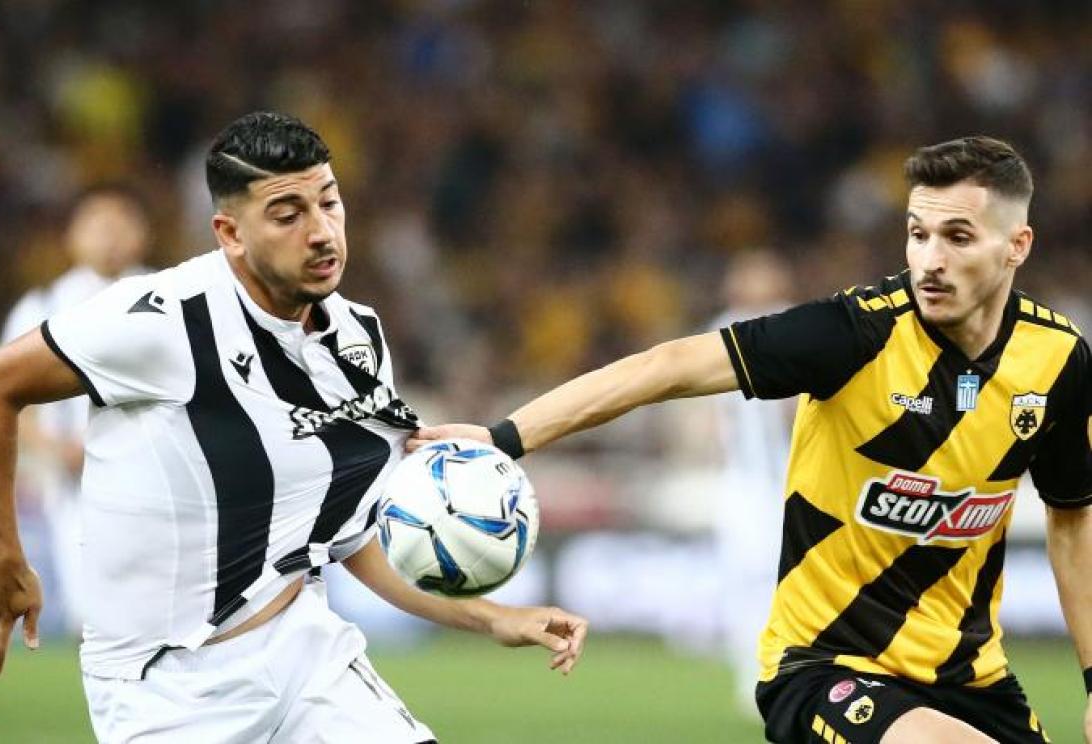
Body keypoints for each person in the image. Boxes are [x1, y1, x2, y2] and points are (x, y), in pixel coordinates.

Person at [411, 137, 1092, 744]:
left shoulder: (1056, 360)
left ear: (1017, 246)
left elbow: (1071, 519)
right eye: (918, 234)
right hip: (826, 667)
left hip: (972, 678)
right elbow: (668, 367)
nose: (930, 260)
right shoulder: (853, 334)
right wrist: (505, 437)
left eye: (958, 237)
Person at [0, 111, 587, 744]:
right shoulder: (164, 320)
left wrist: (493, 618)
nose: (322, 232)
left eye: (329, 203)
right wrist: (3, 552)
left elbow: (355, 537)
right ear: (230, 233)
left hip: (308, 660)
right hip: (166, 689)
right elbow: (0, 383)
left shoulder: (357, 337)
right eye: (288, 215)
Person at [0, 184, 152, 635]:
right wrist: (56, 448)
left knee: (153, 609)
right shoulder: (43, 305)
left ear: (142, 233)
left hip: (153, 478)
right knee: (89, 615)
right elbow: (9, 399)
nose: (110, 236)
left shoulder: (169, 297)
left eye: (120, 223)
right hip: (69, 486)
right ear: (72, 235)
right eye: (97, 224)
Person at [708, 249, 794, 715]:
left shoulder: (794, 325)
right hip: (743, 481)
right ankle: (751, 677)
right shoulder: (723, 328)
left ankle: (791, 672)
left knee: (789, 579)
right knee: (744, 580)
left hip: (792, 477)